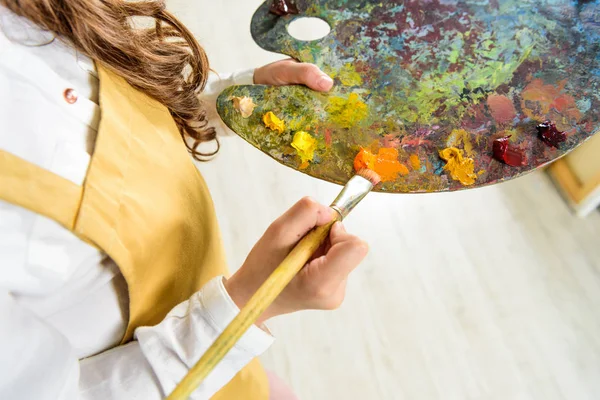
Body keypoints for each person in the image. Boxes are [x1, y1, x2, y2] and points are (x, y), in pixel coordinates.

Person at [0, 1, 369, 399]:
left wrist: (223, 102)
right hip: (182, 365)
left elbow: (91, 96)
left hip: (209, 332)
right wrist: (250, 303)